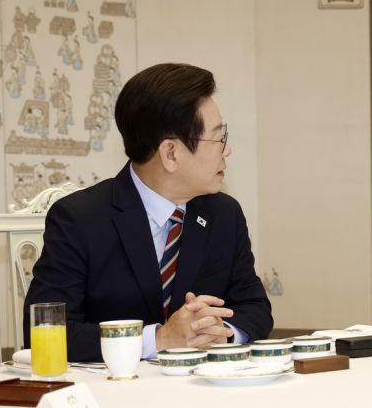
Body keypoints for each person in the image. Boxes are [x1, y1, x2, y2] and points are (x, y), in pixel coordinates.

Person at [24, 63, 273, 361]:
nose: (227, 150)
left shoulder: (223, 214)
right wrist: (158, 338)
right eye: (218, 137)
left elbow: (255, 308)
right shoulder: (79, 218)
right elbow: (47, 331)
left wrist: (222, 331)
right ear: (170, 154)